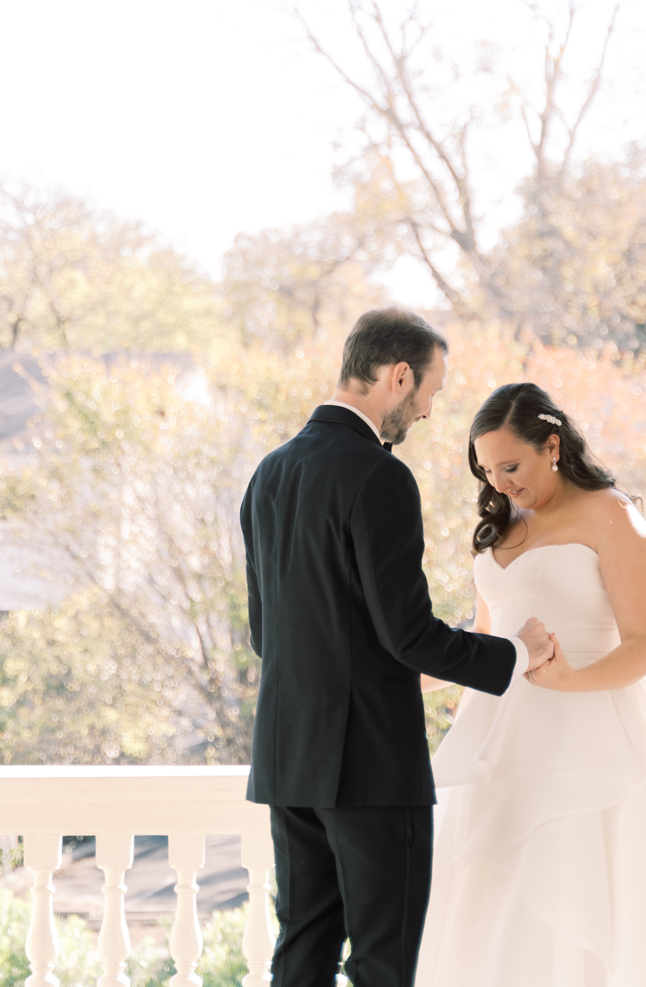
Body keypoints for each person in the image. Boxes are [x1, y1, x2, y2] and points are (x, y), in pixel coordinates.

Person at [240, 308, 554, 987]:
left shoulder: (268, 474)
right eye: (430, 393)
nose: (429, 412)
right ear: (399, 375)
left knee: (301, 953)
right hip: (373, 767)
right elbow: (408, 635)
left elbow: (266, 634)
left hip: (288, 757)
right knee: (387, 964)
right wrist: (515, 651)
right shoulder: (378, 476)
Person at [415, 381, 646, 987]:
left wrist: (573, 680)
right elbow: (485, 639)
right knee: (494, 909)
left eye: (511, 466)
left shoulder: (613, 514)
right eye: (486, 471)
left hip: (593, 732)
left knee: (577, 898)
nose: (499, 484)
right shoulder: (501, 521)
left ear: (552, 445)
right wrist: (397, 681)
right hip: (501, 738)